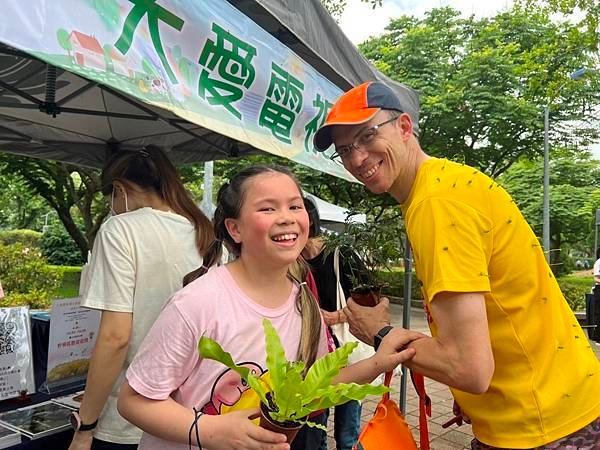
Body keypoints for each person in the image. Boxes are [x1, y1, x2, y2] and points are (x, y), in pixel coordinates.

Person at [313, 81, 600, 449]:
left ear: (404, 128)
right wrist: (470, 399)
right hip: (560, 399)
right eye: (345, 150)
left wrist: (379, 333)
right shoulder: (446, 184)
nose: (357, 158)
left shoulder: (437, 204)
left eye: (368, 135)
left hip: (538, 425)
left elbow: (469, 368)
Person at [116, 165, 422, 450]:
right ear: (234, 229)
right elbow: (133, 401)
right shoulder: (195, 304)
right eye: (267, 208)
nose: (287, 217)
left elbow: (308, 391)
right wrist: (209, 430)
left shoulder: (304, 304)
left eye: (295, 205)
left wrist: (378, 362)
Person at [68, 145, 214, 450]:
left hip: (129, 418)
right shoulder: (204, 233)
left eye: (110, 197)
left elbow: (115, 338)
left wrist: (86, 424)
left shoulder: (120, 230)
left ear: (119, 190)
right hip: (192, 414)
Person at [301, 197, 365, 450]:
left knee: (347, 434)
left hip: (344, 352)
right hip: (314, 355)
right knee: (316, 430)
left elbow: (371, 302)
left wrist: (332, 317)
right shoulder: (295, 261)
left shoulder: (341, 255)